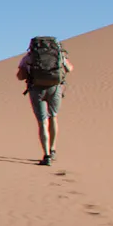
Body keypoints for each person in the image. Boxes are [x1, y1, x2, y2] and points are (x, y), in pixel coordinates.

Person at [16, 35, 71, 165]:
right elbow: (69, 69)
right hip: (55, 88)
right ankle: (53, 150)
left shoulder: (29, 57)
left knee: (42, 121)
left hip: (37, 90)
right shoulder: (59, 55)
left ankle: (46, 155)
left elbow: (20, 76)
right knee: (53, 117)